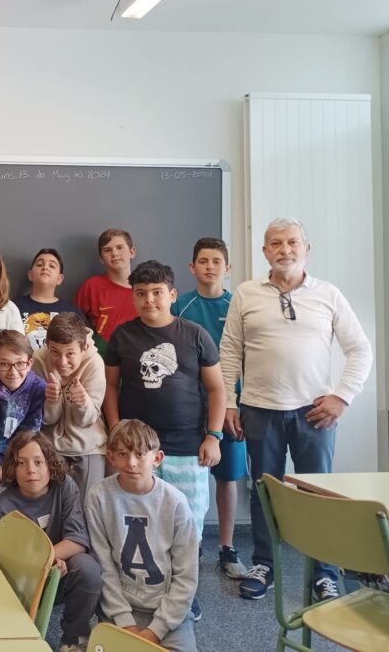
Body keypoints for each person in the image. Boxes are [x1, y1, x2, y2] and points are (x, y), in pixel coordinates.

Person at [220, 217, 372, 601]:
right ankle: (264, 564)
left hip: (314, 414)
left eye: (292, 242)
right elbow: (229, 352)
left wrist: (342, 396)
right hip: (259, 410)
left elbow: (360, 349)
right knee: (263, 492)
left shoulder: (328, 294)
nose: (284, 249)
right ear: (265, 251)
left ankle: (325, 572)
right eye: (276, 243)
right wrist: (228, 404)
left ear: (306, 248)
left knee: (319, 494)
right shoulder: (246, 294)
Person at [103, 259, 225, 621]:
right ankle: (148, 593)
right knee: (144, 523)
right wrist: (116, 431)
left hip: (187, 447)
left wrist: (213, 436)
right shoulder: (122, 337)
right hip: (136, 452)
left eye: (157, 293)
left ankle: (185, 596)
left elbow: (216, 388)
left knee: (189, 525)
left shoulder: (196, 335)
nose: (149, 300)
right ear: (133, 297)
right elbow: (110, 387)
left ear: (172, 294)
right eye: (141, 293)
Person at [85, 420, 198, 652]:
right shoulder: (98, 498)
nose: (131, 463)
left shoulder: (176, 503)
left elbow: (186, 576)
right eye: (122, 454)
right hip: (119, 608)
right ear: (111, 457)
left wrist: (155, 631)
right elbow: (104, 566)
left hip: (167, 612)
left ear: (157, 458)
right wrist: (125, 622)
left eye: (140, 454)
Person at [172, 236, 247, 580]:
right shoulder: (180, 305)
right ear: (192, 267)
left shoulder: (238, 305)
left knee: (226, 476)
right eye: (203, 261)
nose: (209, 267)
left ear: (227, 267)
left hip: (229, 405)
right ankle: (191, 543)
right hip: (188, 405)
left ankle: (227, 547)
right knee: (187, 477)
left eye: (216, 261)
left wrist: (237, 402)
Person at [0, 430, 102, 652]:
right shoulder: (4, 506)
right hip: (25, 581)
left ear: (50, 465)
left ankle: (73, 639)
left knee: (87, 568)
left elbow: (77, 540)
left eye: (38, 462)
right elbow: (8, 562)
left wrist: (51, 558)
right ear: (12, 468)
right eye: (21, 463)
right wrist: (44, 564)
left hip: (61, 572)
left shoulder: (65, 487)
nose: (31, 470)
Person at [30, 312, 107, 505]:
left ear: (84, 348)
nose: (62, 362)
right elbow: (47, 420)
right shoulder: (39, 360)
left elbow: (86, 420)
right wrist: (52, 400)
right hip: (50, 443)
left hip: (88, 445)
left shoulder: (94, 363)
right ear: (47, 345)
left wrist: (82, 403)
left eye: (70, 354)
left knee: (87, 504)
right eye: (55, 352)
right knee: (52, 506)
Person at [0, 330, 45, 480]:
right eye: (4, 364)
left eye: (20, 363)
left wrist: (15, 465)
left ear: (29, 364)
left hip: (22, 459)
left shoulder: (38, 388)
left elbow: (30, 431)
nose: (13, 371)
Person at [75, 228, 138, 353]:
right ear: (101, 258)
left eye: (120, 247)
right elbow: (73, 322)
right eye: (107, 250)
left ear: (132, 252)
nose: (114, 253)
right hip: (101, 357)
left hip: (138, 356)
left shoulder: (145, 290)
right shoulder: (92, 286)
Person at [15, 248, 86, 350]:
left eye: (52, 266)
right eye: (39, 264)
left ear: (59, 279)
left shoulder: (72, 312)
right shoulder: (13, 307)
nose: (45, 267)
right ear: (30, 275)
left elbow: (84, 348)